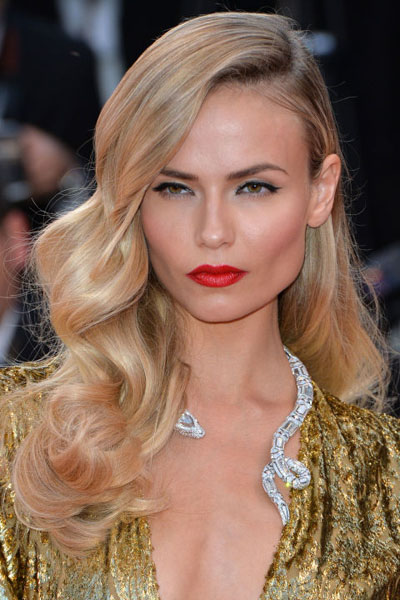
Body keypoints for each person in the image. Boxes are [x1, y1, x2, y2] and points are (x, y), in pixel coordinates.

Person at [0, 11, 399, 599]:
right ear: (133, 199)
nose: (213, 232)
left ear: (321, 190)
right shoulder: (18, 435)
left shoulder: (385, 478)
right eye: (175, 188)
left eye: (253, 187)